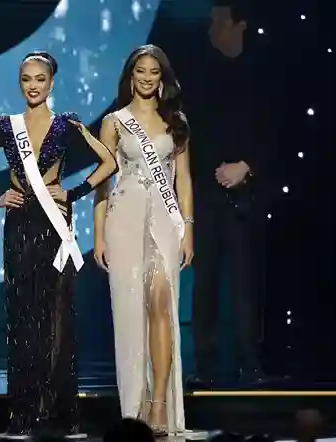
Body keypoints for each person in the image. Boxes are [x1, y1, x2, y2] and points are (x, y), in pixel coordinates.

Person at [0, 51, 118, 438]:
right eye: (26, 79)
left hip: (55, 226)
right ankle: (23, 413)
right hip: (19, 226)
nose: (33, 86)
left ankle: (61, 413)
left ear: (51, 83)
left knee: (57, 317)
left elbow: (109, 162)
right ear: (20, 83)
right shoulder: (7, 127)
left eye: (40, 79)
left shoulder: (66, 125)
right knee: (22, 319)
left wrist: (75, 192)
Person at [93, 45, 194, 436]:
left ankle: (160, 404)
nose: (148, 78)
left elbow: (184, 180)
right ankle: (135, 406)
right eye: (141, 71)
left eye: (154, 72)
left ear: (162, 77)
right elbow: (102, 184)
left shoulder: (176, 121)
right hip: (124, 220)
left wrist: (188, 231)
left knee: (161, 306)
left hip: (166, 223)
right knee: (130, 314)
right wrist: (98, 236)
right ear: (131, 76)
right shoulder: (114, 122)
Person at [187, 0, 274, 388]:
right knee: (204, 282)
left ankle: (251, 362)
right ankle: (204, 364)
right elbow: (188, 135)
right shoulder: (199, 74)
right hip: (205, 193)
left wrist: (247, 166)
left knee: (245, 283)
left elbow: (276, 131)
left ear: (240, 25)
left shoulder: (262, 72)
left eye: (219, 22)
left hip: (247, 196)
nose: (212, 29)